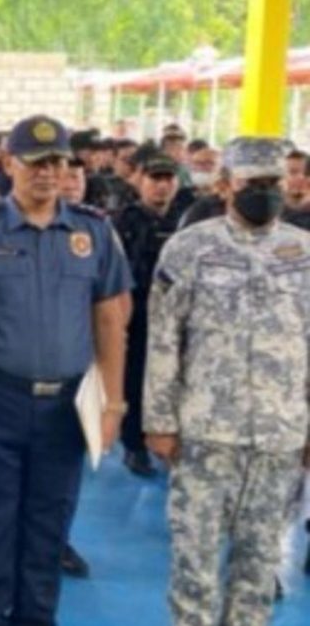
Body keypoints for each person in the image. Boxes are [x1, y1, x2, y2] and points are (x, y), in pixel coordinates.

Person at [0, 115, 131, 626]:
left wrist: (113, 404)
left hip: (66, 405)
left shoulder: (92, 231)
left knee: (49, 526)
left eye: (58, 162)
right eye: (36, 162)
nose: (49, 173)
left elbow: (110, 318)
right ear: (9, 165)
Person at [144, 137, 310, 626]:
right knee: (194, 570)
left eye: (273, 184)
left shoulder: (304, 253)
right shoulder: (190, 248)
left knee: (257, 572)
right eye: (252, 184)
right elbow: (164, 339)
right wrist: (159, 421)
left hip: (278, 440)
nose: (266, 193)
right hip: (204, 437)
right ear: (224, 186)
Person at [113, 153, 184, 478]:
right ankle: (135, 445)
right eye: (155, 179)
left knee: (176, 380)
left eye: (168, 179)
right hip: (139, 314)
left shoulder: (187, 221)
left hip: (179, 317)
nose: (162, 186)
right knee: (136, 379)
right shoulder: (124, 221)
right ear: (140, 181)